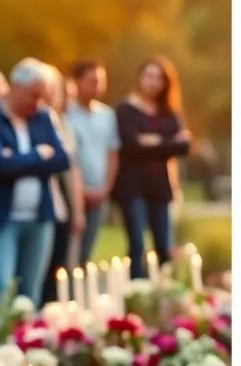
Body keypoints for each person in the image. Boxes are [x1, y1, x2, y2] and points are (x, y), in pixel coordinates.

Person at [0, 58, 71, 306]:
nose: (36, 103)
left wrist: (15, 159)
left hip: (39, 218)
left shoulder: (43, 117)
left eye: (42, 97)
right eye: (33, 95)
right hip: (2, 218)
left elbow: (61, 159)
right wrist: (39, 155)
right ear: (15, 87)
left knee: (31, 290)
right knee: (1, 287)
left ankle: (29, 340)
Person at [112, 55, 192, 278]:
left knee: (164, 246)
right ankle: (135, 292)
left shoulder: (169, 111)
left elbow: (184, 146)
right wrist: (168, 142)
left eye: (159, 78)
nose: (153, 82)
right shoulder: (125, 109)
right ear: (140, 78)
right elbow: (132, 144)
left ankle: (164, 294)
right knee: (137, 243)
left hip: (160, 187)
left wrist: (153, 141)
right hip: (133, 187)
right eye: (149, 76)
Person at [40, 68, 86, 306]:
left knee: (61, 260)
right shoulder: (40, 120)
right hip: (45, 200)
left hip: (64, 201)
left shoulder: (66, 126)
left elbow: (72, 168)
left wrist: (77, 209)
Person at [65, 60, 118, 263]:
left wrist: (106, 187)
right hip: (73, 193)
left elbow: (112, 153)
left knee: (87, 251)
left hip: (99, 192)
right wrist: (80, 191)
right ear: (77, 82)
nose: (98, 87)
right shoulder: (65, 114)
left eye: (101, 82)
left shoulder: (107, 115)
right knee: (70, 252)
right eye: (92, 81)